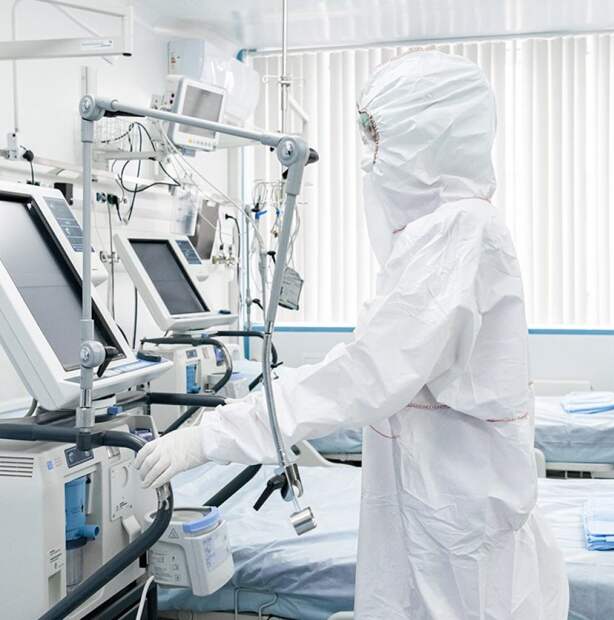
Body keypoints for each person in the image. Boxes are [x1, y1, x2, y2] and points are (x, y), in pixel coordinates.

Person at [135, 50, 569, 619]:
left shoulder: (456, 232)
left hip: (454, 511)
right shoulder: (448, 230)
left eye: (379, 139)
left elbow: (366, 375)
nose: (370, 159)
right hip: (446, 493)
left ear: (427, 137)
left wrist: (210, 436)